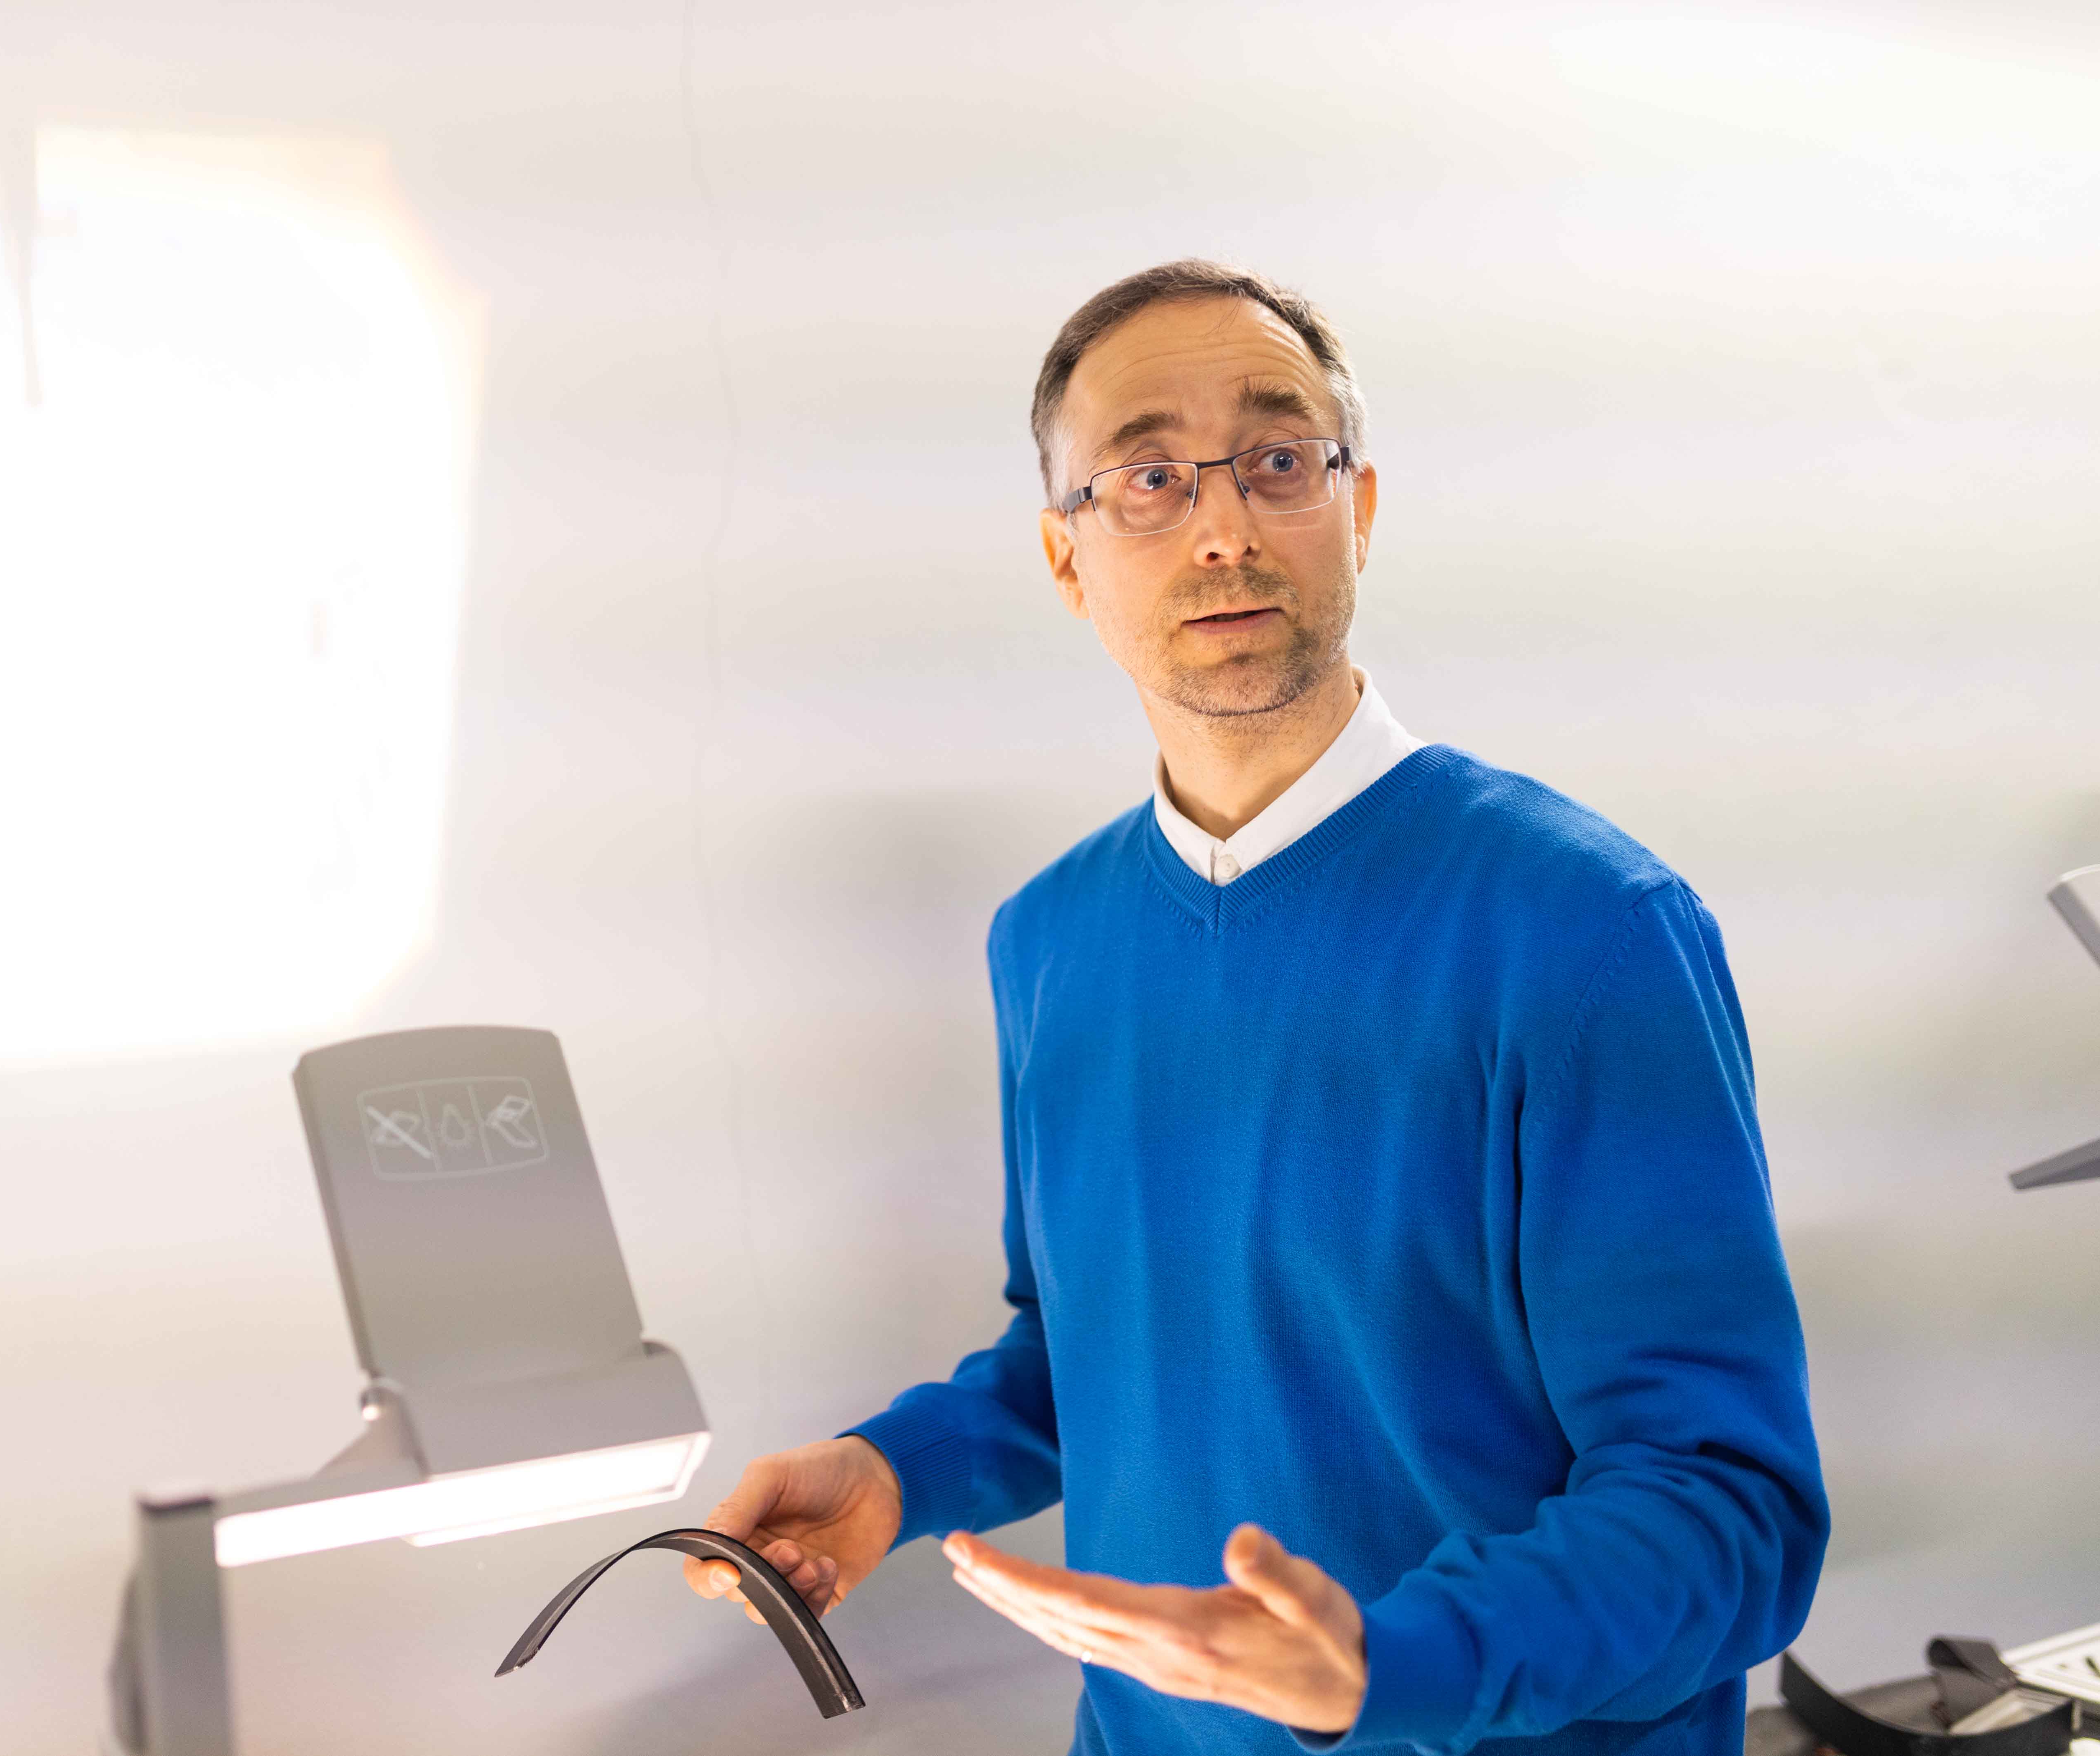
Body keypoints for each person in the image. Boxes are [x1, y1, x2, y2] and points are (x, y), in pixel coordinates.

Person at [682, 260, 1827, 1756]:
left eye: (1279, 460)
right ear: (1066, 553)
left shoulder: (1590, 931)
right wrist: (903, 1469)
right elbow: (1098, 1346)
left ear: (1358, 508)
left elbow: (1729, 1507)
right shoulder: (1051, 941)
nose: (1223, 525)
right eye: (1149, 477)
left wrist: (1390, 1662)